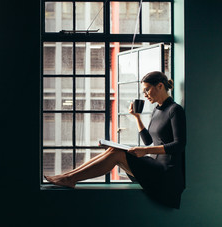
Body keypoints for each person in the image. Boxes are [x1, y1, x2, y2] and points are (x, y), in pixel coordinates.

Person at [45, 71, 186, 208]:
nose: (145, 94)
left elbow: (179, 145)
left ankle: (69, 179)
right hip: (153, 165)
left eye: (147, 90)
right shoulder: (157, 110)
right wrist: (136, 117)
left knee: (117, 154)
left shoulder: (175, 110)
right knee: (114, 149)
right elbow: (148, 140)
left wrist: (145, 151)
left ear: (160, 86)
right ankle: (68, 176)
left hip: (166, 173)